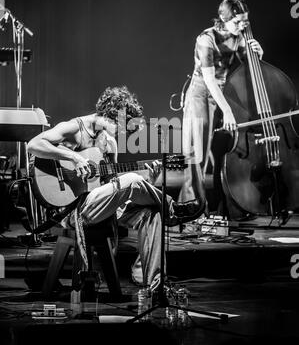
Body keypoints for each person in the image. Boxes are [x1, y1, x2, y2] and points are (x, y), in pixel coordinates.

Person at [28, 85, 204, 292]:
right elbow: (33, 144)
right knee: (131, 180)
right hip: (74, 209)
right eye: (121, 126)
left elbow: (113, 185)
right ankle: (173, 210)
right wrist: (74, 157)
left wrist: (150, 178)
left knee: (152, 213)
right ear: (109, 117)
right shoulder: (75, 128)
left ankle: (154, 285)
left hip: (101, 205)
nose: (123, 132)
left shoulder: (109, 143)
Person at [179, 0, 264, 215]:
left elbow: (250, 65)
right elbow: (209, 79)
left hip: (224, 90)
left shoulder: (240, 35)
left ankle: (229, 205)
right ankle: (193, 208)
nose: (243, 26)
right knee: (197, 151)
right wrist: (227, 110)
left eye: (245, 21)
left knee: (225, 148)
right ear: (223, 19)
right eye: (237, 22)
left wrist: (258, 53)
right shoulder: (206, 38)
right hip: (201, 91)